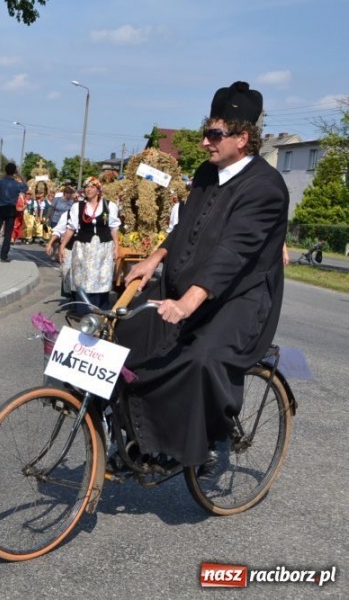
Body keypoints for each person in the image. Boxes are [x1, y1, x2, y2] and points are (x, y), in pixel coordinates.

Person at [117, 81, 289, 473]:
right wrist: (154, 258)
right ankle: (138, 440)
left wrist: (188, 303)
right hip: (188, 288)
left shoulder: (266, 188)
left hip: (240, 301)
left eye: (214, 134)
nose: (204, 142)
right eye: (204, 133)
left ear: (242, 139)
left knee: (199, 360)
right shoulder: (207, 173)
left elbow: (233, 252)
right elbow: (186, 227)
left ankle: (203, 442)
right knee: (127, 333)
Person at [58, 176, 120, 311]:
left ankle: (100, 308)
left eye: (92, 187)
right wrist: (62, 246)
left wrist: (116, 247)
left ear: (98, 190)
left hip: (103, 247)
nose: (88, 189)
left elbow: (114, 228)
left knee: (102, 276)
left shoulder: (109, 206)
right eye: (86, 187)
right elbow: (71, 228)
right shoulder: (78, 207)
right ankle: (84, 309)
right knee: (82, 277)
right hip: (83, 247)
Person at [0, 162, 27, 262]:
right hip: (11, 208)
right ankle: (4, 256)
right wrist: (19, 174)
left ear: (5, 171)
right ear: (14, 172)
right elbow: (26, 187)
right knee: (8, 233)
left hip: (0, 207)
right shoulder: (17, 184)